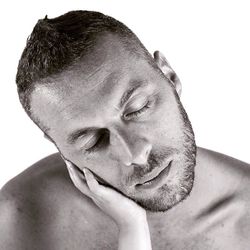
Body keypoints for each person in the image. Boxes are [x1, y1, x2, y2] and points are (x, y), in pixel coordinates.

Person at [0, 10, 250, 250]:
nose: (136, 154)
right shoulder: (17, 220)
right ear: (59, 146)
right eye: (92, 141)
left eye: (137, 108)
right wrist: (133, 228)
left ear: (170, 77)